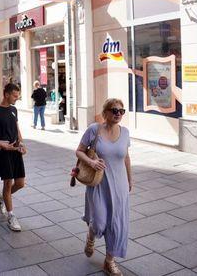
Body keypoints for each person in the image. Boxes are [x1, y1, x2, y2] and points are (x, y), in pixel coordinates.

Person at [76, 98, 131, 276]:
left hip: (120, 184)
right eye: (114, 110)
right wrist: (91, 162)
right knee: (99, 222)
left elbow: (126, 157)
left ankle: (109, 261)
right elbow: (79, 151)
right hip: (99, 184)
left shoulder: (125, 132)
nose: (118, 114)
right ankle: (91, 236)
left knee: (116, 224)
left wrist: (130, 180)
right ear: (105, 113)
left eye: (121, 111)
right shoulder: (94, 129)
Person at [0, 83, 27, 232]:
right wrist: (3, 146)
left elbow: (16, 128)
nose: (17, 98)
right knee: (8, 184)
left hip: (15, 149)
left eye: (18, 95)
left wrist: (21, 143)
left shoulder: (14, 109)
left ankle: (2, 197)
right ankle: (11, 216)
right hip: (3, 151)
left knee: (20, 183)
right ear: (6, 94)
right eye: (15, 96)